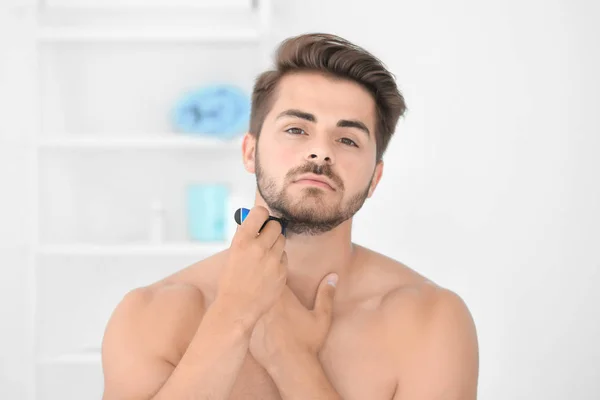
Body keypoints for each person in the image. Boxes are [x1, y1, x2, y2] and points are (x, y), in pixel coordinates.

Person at [101, 33, 479, 400]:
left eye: (347, 139)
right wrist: (234, 315)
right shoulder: (150, 315)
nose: (320, 151)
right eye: (297, 129)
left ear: (374, 178)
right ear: (250, 152)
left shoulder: (430, 321)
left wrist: (291, 360)